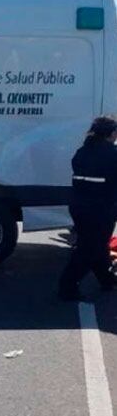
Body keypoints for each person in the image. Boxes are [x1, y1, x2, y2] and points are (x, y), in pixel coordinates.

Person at [59, 116, 117, 301]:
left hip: (78, 206)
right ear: (111, 133)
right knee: (89, 249)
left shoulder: (82, 151)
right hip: (99, 209)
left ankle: (106, 280)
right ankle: (67, 286)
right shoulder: (112, 154)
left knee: (96, 246)